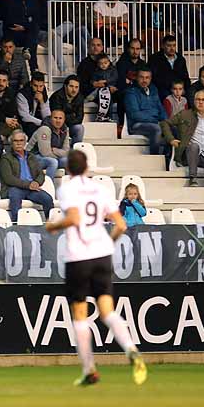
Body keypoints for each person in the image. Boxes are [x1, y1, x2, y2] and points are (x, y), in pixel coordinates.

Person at [44, 150, 146, 387]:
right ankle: (131, 349)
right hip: (102, 254)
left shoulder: (67, 188)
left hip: (79, 257)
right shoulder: (100, 189)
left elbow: (75, 218)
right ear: (87, 167)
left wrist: (53, 227)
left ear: (68, 169)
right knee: (107, 311)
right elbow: (120, 224)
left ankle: (89, 369)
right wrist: (106, 244)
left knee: (80, 314)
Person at [0, 130, 53, 221]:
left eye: (21, 140)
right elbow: (9, 179)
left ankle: (50, 225)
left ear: (25, 142)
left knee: (47, 199)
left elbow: (40, 174)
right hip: (15, 187)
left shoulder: (31, 156)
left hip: (31, 188)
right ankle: (17, 226)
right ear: (11, 143)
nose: (19, 143)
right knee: (15, 197)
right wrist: (29, 185)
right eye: (16, 141)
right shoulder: (5, 158)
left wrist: (36, 182)